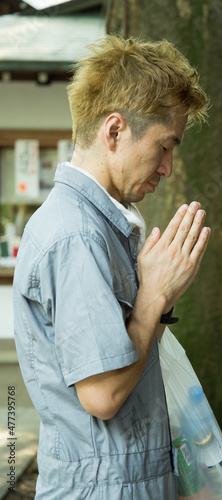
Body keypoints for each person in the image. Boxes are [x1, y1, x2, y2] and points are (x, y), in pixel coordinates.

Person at [13, 34, 210, 499]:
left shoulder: (101, 225)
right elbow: (102, 397)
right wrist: (155, 298)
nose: (167, 167)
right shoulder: (76, 235)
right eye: (165, 146)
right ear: (115, 130)